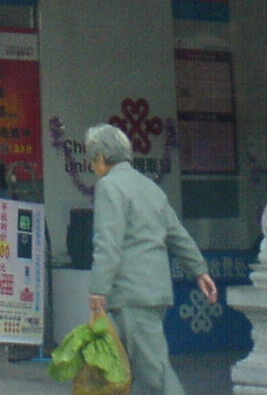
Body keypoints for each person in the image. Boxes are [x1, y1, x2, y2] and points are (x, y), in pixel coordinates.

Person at [85, 123, 218, 395]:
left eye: (92, 159)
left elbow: (108, 242)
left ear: (101, 157)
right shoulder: (149, 187)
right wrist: (199, 270)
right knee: (137, 371)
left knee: (153, 374)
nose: (92, 165)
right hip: (155, 292)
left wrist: (99, 288)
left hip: (131, 294)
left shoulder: (109, 186)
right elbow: (176, 233)